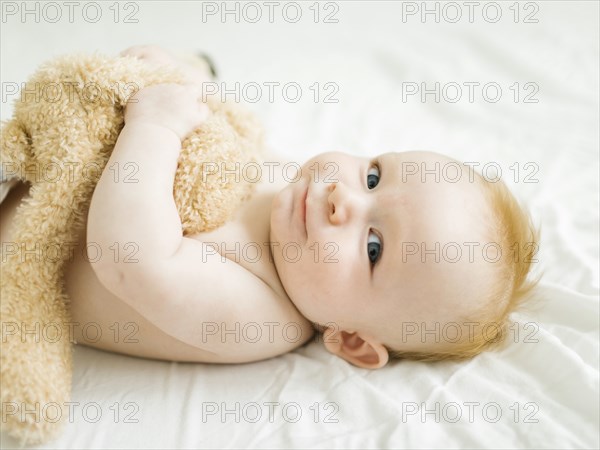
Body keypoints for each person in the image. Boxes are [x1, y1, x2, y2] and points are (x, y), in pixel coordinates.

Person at [0, 45, 539, 369]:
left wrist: (157, 125)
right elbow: (222, 133)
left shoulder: (261, 317)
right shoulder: (294, 189)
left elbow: (130, 258)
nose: (342, 197)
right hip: (37, 156)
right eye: (373, 175)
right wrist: (178, 81)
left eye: (373, 246)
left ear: (351, 339)